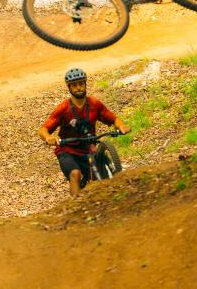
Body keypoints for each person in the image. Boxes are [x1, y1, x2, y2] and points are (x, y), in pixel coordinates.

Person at [39, 67, 130, 197]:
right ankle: (76, 207)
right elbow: (43, 129)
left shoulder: (94, 104)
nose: (78, 88)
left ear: (85, 83)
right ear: (69, 87)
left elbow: (113, 118)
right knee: (75, 174)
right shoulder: (63, 108)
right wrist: (48, 137)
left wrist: (121, 126)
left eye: (81, 83)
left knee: (99, 177)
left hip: (89, 148)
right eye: (74, 85)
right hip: (67, 149)